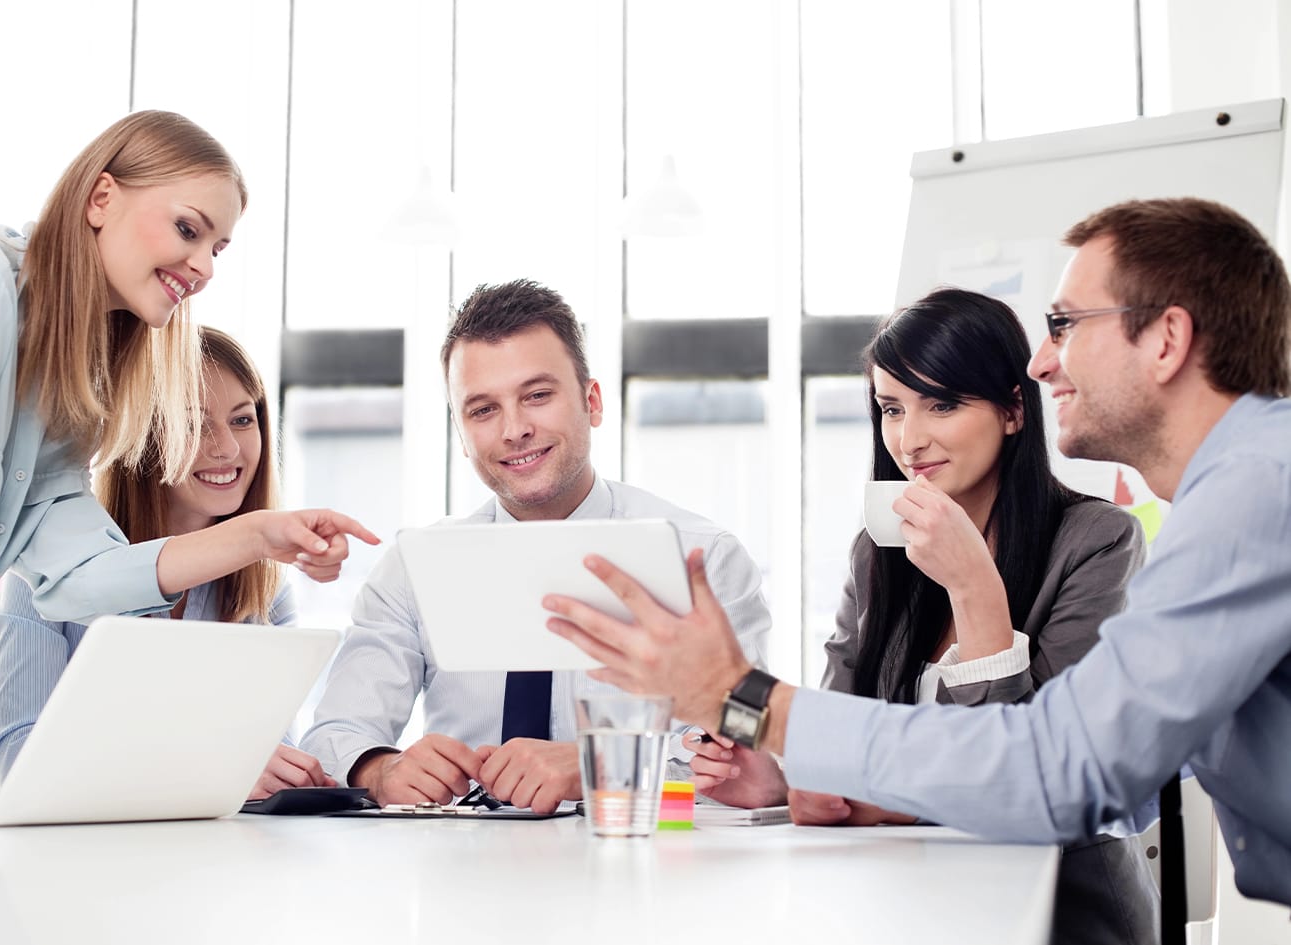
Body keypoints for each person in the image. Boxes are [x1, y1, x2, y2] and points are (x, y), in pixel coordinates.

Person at [545, 196, 1291, 907]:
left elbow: (1060, 772)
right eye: (892, 407)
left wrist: (743, 696)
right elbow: (1116, 771)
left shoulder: (1251, 493)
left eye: (1064, 323)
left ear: (1167, 339)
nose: (1041, 362)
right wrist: (786, 776)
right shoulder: (1238, 489)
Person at [0, 110, 376, 811]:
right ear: (101, 199)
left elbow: (78, 576)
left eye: (220, 248)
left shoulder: (71, 374)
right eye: (189, 229)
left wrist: (256, 535)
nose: (204, 266)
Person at [686, 288, 1156, 945]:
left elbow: (1036, 777)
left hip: (1060, 913)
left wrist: (975, 589)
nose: (910, 439)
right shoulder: (880, 553)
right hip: (907, 904)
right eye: (891, 408)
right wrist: (783, 773)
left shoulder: (1100, 541)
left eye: (942, 403)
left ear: (1014, 410)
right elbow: (840, 717)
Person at [299, 279, 771, 813]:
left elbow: (742, 751)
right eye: (482, 410)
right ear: (460, 432)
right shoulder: (413, 568)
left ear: (591, 402)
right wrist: (380, 769)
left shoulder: (704, 559)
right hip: (461, 866)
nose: (515, 429)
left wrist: (598, 764)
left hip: (638, 867)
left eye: (538, 396)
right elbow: (335, 732)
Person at [0, 326, 333, 798]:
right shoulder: (49, 573)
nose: (228, 450)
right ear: (141, 435)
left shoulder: (265, 591)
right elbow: (17, 756)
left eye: (242, 419)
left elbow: (271, 754)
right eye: (193, 423)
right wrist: (210, 764)